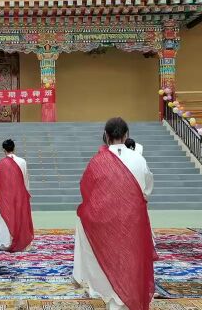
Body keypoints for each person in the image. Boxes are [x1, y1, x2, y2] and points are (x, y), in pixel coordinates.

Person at [73, 117, 155, 310]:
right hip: (132, 219)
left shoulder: (97, 160)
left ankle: (113, 298)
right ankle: (128, 297)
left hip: (104, 220)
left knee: (107, 256)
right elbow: (147, 189)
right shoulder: (138, 159)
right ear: (126, 135)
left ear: (106, 136)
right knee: (130, 259)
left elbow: (86, 191)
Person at [0, 139, 34, 252]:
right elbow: (26, 179)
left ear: (3, 149)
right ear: (14, 148)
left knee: (4, 218)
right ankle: (22, 243)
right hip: (20, 195)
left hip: (6, 197)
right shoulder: (22, 161)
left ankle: (4, 243)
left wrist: (0, 197)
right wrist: (27, 194)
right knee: (20, 217)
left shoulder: (1, 163)